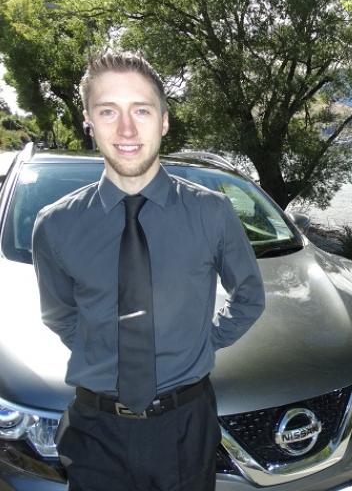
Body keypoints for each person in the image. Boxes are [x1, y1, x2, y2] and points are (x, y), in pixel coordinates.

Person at [32, 50, 265, 491]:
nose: (126, 129)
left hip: (186, 429)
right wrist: (105, 347)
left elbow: (250, 296)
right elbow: (59, 314)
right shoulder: (55, 225)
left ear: (164, 120)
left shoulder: (211, 213)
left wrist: (203, 341)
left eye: (141, 110)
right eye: (108, 111)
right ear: (88, 120)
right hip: (95, 434)